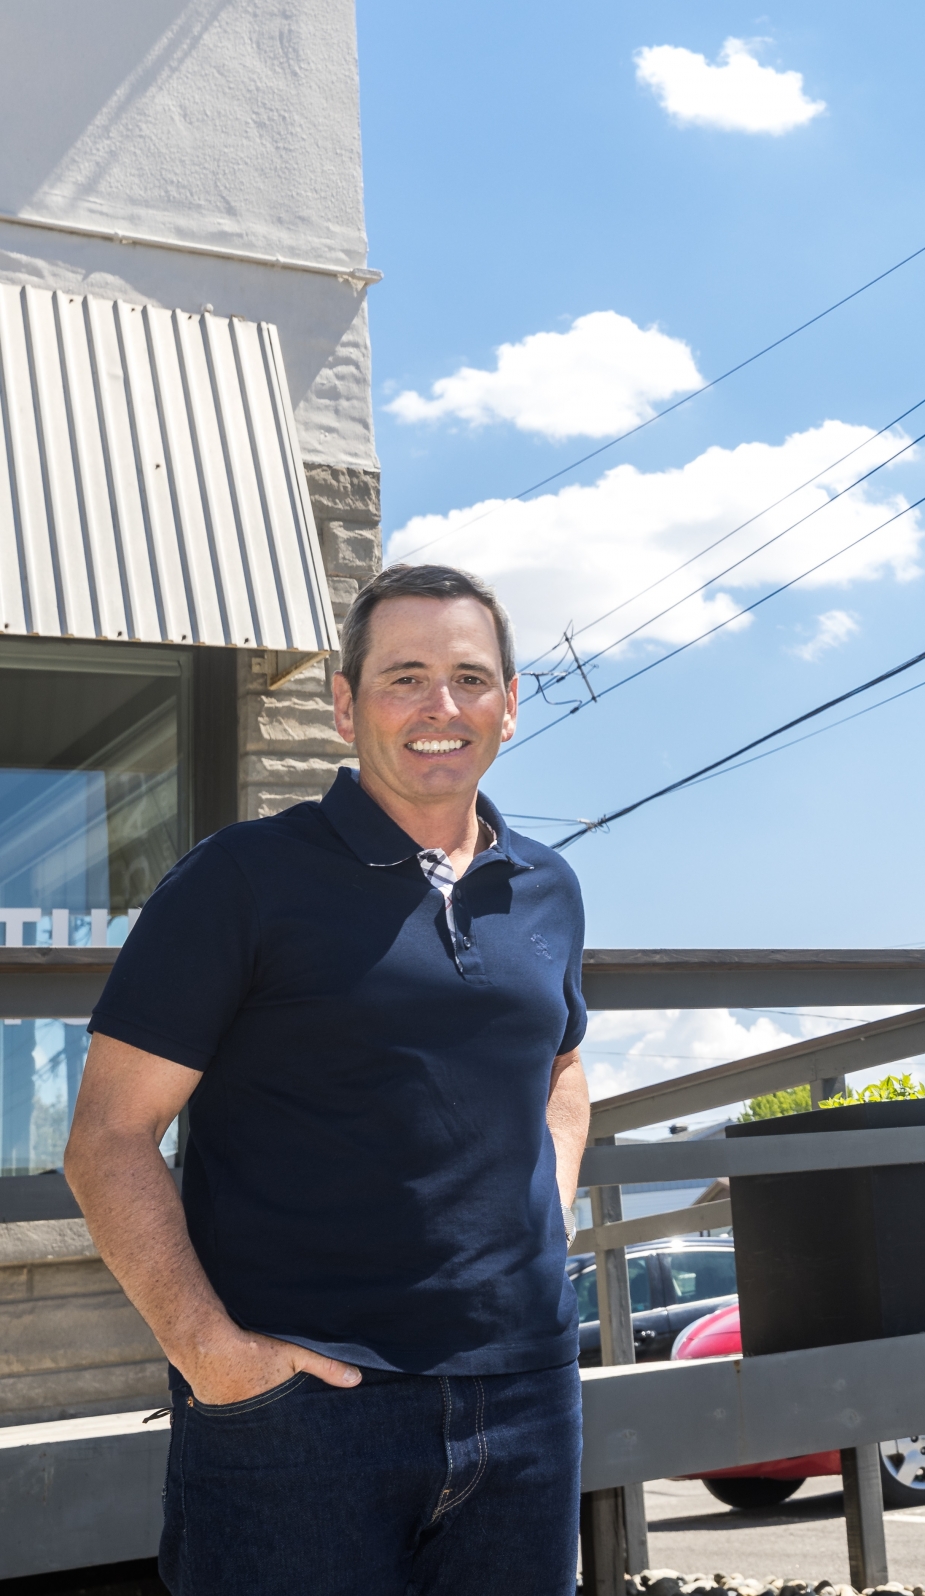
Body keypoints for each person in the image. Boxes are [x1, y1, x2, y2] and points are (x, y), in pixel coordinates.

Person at [64, 563, 591, 1595]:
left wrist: (546, 1227)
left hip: (526, 1395)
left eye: (471, 677)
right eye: (404, 677)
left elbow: (561, 1064)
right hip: (299, 1413)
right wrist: (214, 1357)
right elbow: (108, 1139)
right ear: (344, 705)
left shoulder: (549, 888)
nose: (441, 708)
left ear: (512, 704)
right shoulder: (241, 878)